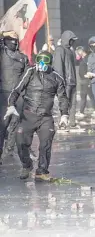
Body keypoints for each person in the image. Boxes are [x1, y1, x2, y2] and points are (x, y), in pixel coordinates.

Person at [6, 51, 69, 181]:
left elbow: (63, 97)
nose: (41, 65)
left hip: (45, 117)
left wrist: (64, 115)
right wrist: (11, 104)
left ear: (49, 63)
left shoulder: (56, 77)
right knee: (21, 142)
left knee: (45, 144)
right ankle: (26, 165)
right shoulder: (30, 72)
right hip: (28, 114)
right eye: (39, 61)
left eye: (44, 62)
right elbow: (17, 89)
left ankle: (42, 171)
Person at [0, 31, 29, 160]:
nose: (14, 42)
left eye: (15, 40)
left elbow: (28, 75)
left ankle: (10, 149)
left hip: (19, 95)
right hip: (4, 94)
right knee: (3, 124)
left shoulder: (22, 57)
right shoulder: (2, 54)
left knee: (15, 123)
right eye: (10, 39)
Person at [53, 30, 78, 128]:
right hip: (65, 82)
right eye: (71, 40)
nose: (72, 42)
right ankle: (62, 122)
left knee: (73, 103)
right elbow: (58, 67)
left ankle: (71, 122)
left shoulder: (70, 51)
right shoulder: (60, 49)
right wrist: (60, 81)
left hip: (72, 81)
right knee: (64, 103)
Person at [75, 47, 95, 118]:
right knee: (86, 96)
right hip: (83, 80)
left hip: (86, 80)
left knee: (88, 96)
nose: (77, 53)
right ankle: (83, 111)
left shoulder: (87, 58)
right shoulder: (83, 59)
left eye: (78, 51)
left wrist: (88, 75)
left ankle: (83, 111)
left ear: (82, 51)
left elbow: (90, 67)